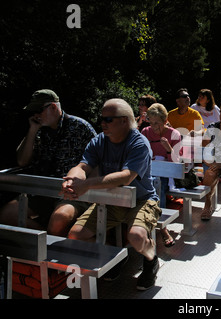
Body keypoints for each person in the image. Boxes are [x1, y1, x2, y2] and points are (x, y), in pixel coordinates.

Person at [62, 98, 161, 290]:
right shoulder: (99, 141)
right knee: (75, 236)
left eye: (108, 119)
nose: (102, 123)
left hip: (142, 200)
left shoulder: (139, 143)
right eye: (102, 119)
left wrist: (87, 185)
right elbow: (83, 166)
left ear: (124, 120)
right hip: (111, 200)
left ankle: (151, 260)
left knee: (137, 237)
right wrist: (72, 180)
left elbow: (126, 177)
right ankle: (114, 257)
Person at [0, 89, 97, 236]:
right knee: (7, 215)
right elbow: (22, 161)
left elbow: (97, 162)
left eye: (38, 110)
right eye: (32, 112)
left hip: (72, 192)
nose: (35, 115)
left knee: (59, 219)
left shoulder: (81, 127)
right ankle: (46, 242)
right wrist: (32, 130)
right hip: (42, 190)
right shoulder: (40, 129)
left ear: (53, 107)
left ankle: (51, 242)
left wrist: (88, 190)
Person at [141, 103, 181, 247]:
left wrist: (169, 150)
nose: (153, 126)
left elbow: (177, 163)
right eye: (151, 122)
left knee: (159, 184)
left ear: (165, 121)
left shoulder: (174, 134)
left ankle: (162, 227)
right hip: (149, 170)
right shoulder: (145, 132)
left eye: (157, 123)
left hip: (166, 172)